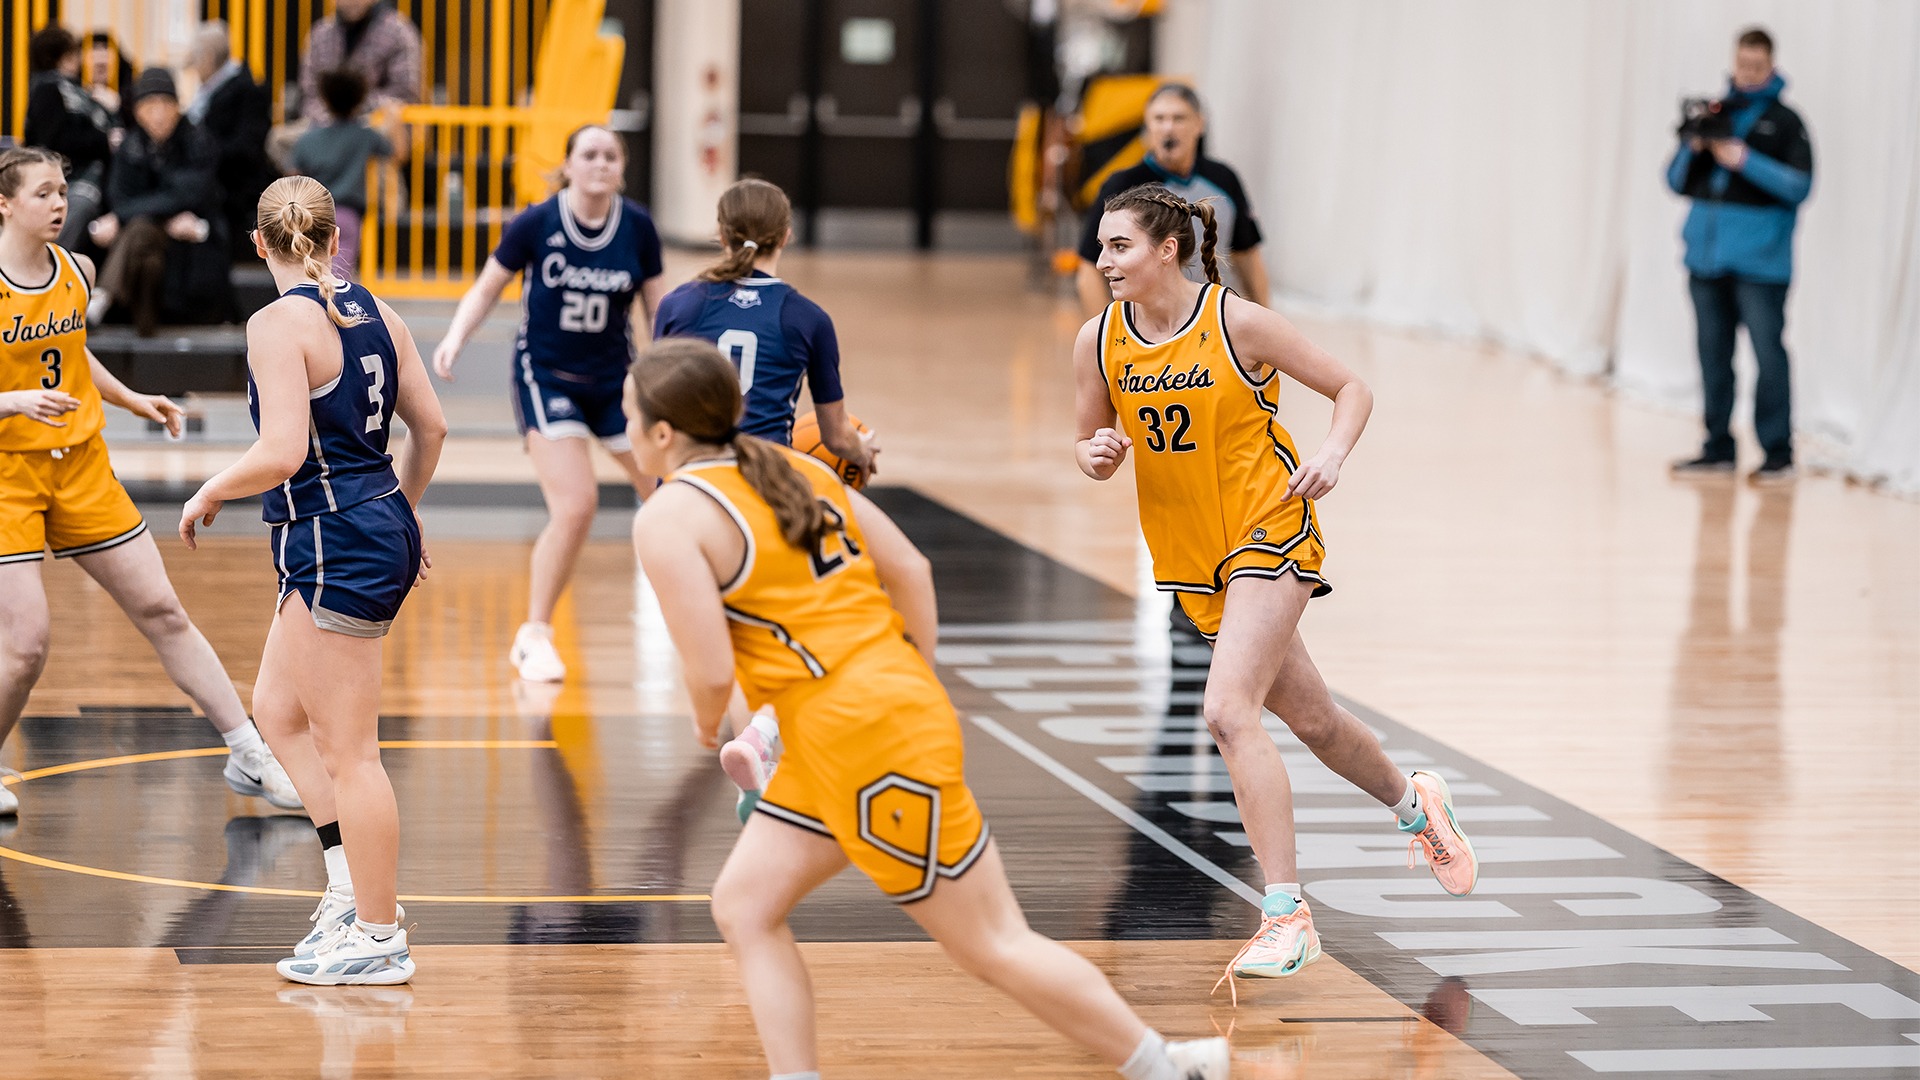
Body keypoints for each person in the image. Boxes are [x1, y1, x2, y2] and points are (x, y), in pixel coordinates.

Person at [627, 336, 1229, 1080]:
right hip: (861, 721)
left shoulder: (667, 518)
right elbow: (910, 567)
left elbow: (712, 668)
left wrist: (702, 717)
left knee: (992, 942)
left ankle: (1167, 1066)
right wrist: (910, 674)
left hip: (856, 737)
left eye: (629, 416)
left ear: (661, 432)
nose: (624, 430)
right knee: (744, 906)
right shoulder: (797, 467)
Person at [1073, 184, 1476, 988]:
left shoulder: (1238, 322)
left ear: (1166, 250)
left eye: (1119, 246)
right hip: (1192, 560)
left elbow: (1352, 388)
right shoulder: (1098, 337)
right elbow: (1088, 435)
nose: (1103, 260)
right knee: (1318, 724)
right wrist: (1095, 454)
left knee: (1227, 711)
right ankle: (1414, 801)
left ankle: (1287, 915)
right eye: (1101, 245)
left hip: (1271, 530)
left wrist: (1331, 453)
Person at [179, 175, 447, 985]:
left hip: (336, 534)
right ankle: (345, 884)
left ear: (258, 244)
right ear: (336, 239)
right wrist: (406, 506)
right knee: (277, 712)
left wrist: (210, 486)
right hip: (361, 525)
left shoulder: (276, 322)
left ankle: (378, 934)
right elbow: (428, 428)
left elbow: (284, 450)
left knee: (351, 751)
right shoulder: (377, 310)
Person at [0, 146, 299, 819]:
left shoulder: (74, 269)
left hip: (78, 465)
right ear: (5, 203)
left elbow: (70, 353)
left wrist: (133, 398)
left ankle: (247, 752)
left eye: (63, 190)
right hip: (8, 477)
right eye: (45, 192)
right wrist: (12, 403)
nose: (60, 204)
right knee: (25, 646)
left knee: (163, 610)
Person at [432, 125, 665, 684]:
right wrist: (455, 337)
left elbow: (660, 313)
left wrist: (672, 377)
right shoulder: (536, 222)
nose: (601, 164)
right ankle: (534, 634)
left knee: (667, 495)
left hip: (616, 382)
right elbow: (487, 287)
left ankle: (706, 613)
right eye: (589, 154)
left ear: (622, 167)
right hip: (547, 377)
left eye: (611, 155)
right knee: (578, 505)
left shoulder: (637, 227)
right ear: (568, 164)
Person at [1666, 27, 1813, 484]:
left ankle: (1777, 453)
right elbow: (1673, 181)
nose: (1747, 73)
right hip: (1706, 261)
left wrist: (1744, 160)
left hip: (1761, 266)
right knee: (1713, 355)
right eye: (1741, 64)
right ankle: (1717, 447)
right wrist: (1695, 147)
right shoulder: (1716, 113)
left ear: (1771, 65)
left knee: (1768, 356)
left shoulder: (1787, 123)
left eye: (1756, 66)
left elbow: (1799, 186)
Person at [653, 178, 877, 478]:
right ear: (786, 236)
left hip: (690, 478)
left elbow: (652, 405)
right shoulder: (808, 318)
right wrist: (862, 450)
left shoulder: (678, 304)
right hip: (765, 479)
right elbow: (836, 438)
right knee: (862, 521)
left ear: (721, 235)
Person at [1076, 84, 1268, 318]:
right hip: (1149, 327)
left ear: (1199, 124)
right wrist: (1109, 337)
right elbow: (1088, 269)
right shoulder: (1122, 185)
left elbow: (1247, 255)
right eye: (1159, 119)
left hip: (1212, 323)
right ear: (1148, 127)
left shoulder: (1224, 179)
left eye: (1179, 118)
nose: (1168, 127)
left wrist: (1265, 321)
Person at [88, 68, 234, 335]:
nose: (158, 114)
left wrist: (125, 217)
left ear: (177, 107)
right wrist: (165, 217)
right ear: (137, 111)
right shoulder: (131, 145)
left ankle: (102, 297)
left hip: (194, 236)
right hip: (157, 233)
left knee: (140, 229)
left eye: (165, 104)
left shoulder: (197, 140)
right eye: (149, 105)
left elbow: (190, 193)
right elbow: (119, 198)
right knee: (143, 233)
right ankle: (141, 322)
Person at [268, 0, 421, 173]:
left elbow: (403, 93)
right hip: (324, 121)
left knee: (379, 146)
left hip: (372, 122)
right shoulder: (321, 33)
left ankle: (375, 199)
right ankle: (308, 195)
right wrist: (330, 120)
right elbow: (309, 91)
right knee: (279, 141)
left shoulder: (399, 32)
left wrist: (357, 108)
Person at [184, 22, 275, 261]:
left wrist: (205, 154)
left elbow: (246, 147)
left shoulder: (245, 91)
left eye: (197, 61)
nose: (195, 69)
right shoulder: (209, 90)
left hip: (231, 191)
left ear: (209, 57)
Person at [292, 69, 394, 279]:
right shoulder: (365, 136)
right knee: (339, 275)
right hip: (348, 213)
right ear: (359, 100)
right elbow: (397, 152)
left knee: (308, 272)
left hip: (312, 212)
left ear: (325, 99)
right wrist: (395, 118)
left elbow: (293, 175)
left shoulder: (308, 138)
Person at [22, 26, 118, 249]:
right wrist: (105, 141)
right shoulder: (50, 89)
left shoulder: (72, 90)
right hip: (71, 179)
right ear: (64, 56)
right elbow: (55, 140)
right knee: (79, 205)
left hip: (83, 178)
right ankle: (53, 266)